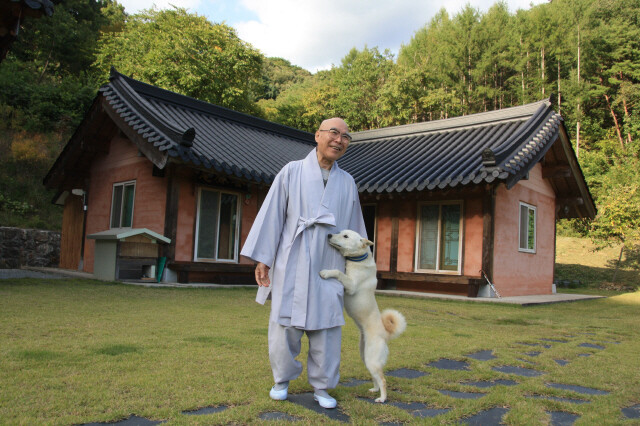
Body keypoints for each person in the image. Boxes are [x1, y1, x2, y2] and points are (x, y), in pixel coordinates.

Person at [240, 117, 367, 409]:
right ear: (318, 135)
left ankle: (323, 387)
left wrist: (356, 266)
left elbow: (354, 229)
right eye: (334, 133)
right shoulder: (291, 172)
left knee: (328, 326)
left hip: (329, 260)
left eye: (346, 136)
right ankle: (281, 381)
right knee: (285, 322)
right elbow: (272, 216)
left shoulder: (347, 182)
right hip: (293, 256)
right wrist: (264, 259)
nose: (339, 140)